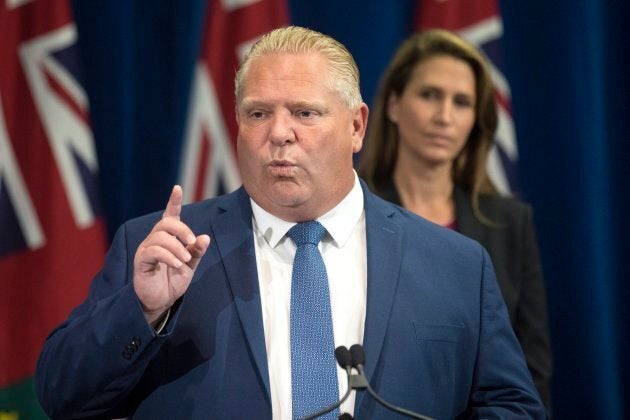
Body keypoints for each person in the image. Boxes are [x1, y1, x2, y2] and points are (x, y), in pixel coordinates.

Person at [36, 26, 545, 419]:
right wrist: (142, 311)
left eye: (305, 112)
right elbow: (62, 396)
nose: (279, 133)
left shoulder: (455, 264)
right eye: (258, 114)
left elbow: (513, 406)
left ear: (357, 126)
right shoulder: (163, 248)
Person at [358, 29, 552, 412]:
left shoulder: (510, 223)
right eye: (430, 95)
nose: (444, 116)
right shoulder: (350, 214)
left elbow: (531, 375)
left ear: (475, 121)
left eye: (461, 102)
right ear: (394, 105)